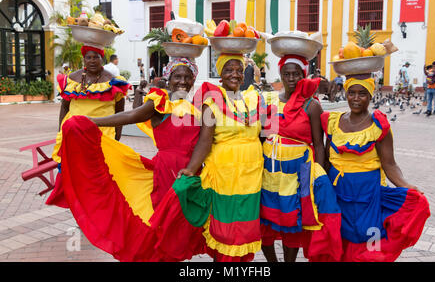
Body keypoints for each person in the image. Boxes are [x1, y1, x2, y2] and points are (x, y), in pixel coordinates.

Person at [52, 57, 202, 261]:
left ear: (194, 79)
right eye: (177, 76)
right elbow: (132, 115)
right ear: (168, 78)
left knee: (183, 229)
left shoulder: (198, 106)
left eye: (187, 77)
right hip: (167, 175)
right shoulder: (160, 102)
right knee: (164, 228)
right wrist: (92, 121)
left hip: (192, 176)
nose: (182, 81)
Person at [152, 53, 264, 262]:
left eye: (239, 70)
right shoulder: (211, 99)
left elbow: (265, 134)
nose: (235, 74)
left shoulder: (254, 98)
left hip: (251, 176)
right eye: (229, 70)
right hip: (224, 174)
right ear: (220, 74)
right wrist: (192, 169)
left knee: (245, 226)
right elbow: (205, 139)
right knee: (226, 227)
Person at [321, 76, 430, 262]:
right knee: (339, 236)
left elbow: (390, 164)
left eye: (362, 94)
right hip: (337, 193)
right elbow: (326, 160)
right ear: (345, 94)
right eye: (351, 93)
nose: (356, 98)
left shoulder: (379, 127)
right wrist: (319, 189)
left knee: (369, 238)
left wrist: (407, 185)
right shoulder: (333, 122)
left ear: (371, 97)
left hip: (368, 196)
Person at [259, 54, 342, 262]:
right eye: (286, 74)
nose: (291, 78)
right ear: (280, 75)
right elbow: (261, 136)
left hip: (298, 173)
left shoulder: (311, 105)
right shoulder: (270, 101)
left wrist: (318, 173)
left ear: (303, 75)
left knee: (291, 220)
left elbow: (318, 143)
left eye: (296, 74)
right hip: (269, 171)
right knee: (264, 220)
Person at [46, 45, 131, 208]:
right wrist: (61, 130)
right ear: (84, 59)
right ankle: (80, 209)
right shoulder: (72, 79)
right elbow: (65, 106)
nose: (92, 61)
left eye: (96, 57)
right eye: (88, 57)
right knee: (74, 174)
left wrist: (117, 137)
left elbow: (119, 111)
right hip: (74, 134)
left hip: (102, 135)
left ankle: (98, 209)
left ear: (102, 59)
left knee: (100, 176)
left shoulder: (113, 81)